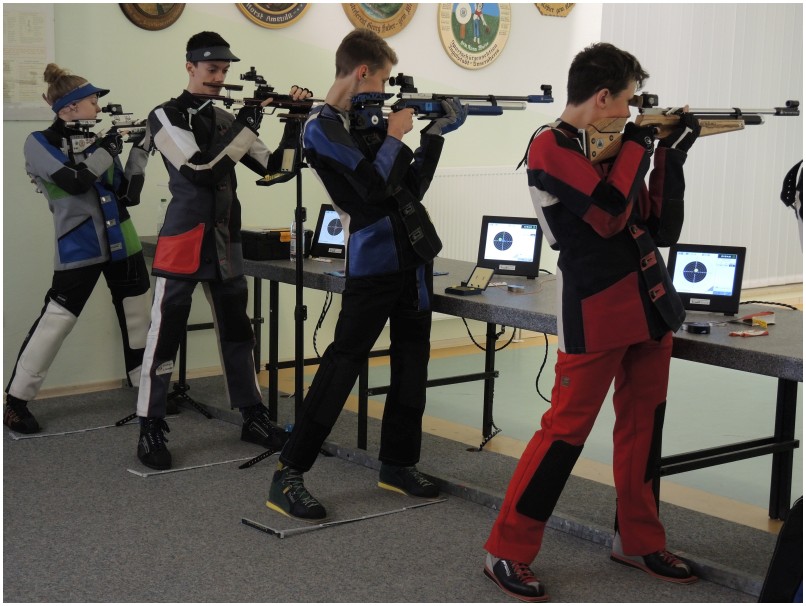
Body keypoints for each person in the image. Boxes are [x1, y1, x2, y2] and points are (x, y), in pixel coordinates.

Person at [482, 42, 701, 601]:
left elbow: (660, 226)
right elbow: (606, 216)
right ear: (602, 97)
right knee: (563, 435)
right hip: (596, 309)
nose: (630, 113)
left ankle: (638, 540)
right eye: (626, 101)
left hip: (651, 305)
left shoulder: (613, 145)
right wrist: (637, 146)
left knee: (643, 430)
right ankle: (507, 549)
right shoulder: (549, 146)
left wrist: (670, 158)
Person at [266, 28, 466, 521]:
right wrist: (395, 136)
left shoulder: (366, 122)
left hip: (414, 258)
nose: (384, 89)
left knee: (412, 366)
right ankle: (288, 473)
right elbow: (373, 191)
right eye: (381, 79)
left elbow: (409, 186)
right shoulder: (321, 129)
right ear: (361, 73)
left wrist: (433, 137)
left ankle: (398, 464)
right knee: (343, 366)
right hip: (374, 264)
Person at [134, 31, 311, 470]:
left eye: (224, 70)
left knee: (239, 332)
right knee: (164, 335)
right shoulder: (164, 115)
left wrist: (295, 122)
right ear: (190, 67)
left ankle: (252, 415)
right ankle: (150, 424)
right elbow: (201, 170)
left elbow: (277, 170)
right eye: (212, 69)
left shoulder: (224, 117)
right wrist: (247, 123)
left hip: (225, 240)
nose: (219, 77)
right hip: (183, 240)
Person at [4, 64, 151, 435]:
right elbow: (73, 182)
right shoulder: (39, 142)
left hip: (125, 241)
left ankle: (147, 391)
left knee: (138, 317)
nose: (98, 108)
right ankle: (15, 402)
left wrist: (141, 149)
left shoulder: (96, 142)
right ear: (69, 107)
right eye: (92, 101)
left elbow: (127, 195)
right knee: (57, 321)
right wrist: (106, 149)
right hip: (78, 244)